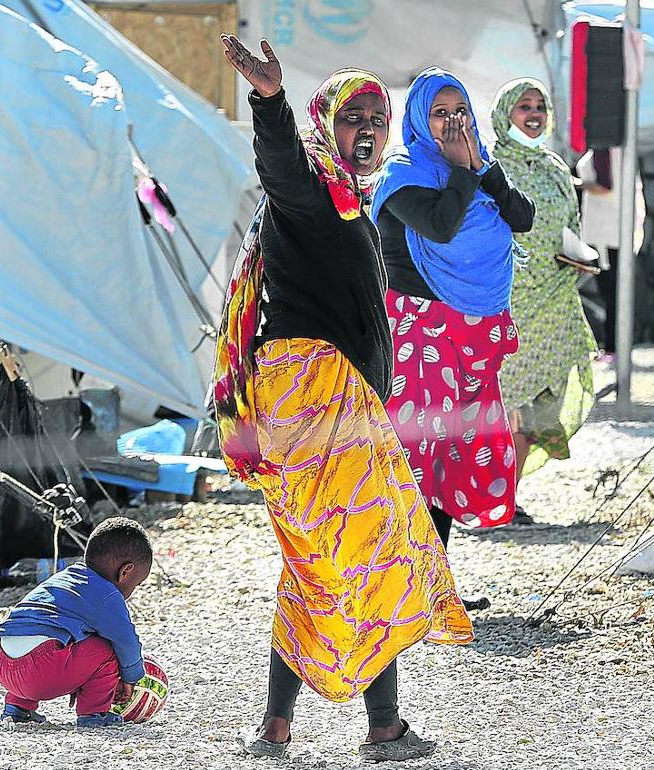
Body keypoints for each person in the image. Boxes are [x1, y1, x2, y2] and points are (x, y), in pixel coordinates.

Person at [215, 37, 472, 762]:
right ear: (327, 124)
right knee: (371, 553)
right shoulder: (308, 190)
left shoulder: (349, 201)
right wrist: (270, 103)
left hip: (332, 399)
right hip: (311, 395)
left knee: (320, 562)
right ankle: (384, 729)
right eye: (352, 117)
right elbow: (280, 169)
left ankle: (276, 727)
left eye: (376, 120)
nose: (366, 131)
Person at [372, 68, 535, 546]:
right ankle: (402, 568)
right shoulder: (402, 174)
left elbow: (522, 216)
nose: (451, 122)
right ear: (419, 119)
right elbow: (440, 227)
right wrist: (463, 172)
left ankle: (435, 571)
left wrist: (482, 167)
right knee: (415, 452)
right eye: (439, 113)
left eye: (460, 111)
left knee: (452, 454)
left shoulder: (476, 169)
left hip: (468, 335)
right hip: (417, 334)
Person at [490, 78, 596, 517]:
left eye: (539, 106)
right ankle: (496, 499)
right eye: (524, 106)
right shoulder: (490, 166)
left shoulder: (555, 167)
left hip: (554, 301)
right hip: (508, 301)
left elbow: (570, 225)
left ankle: (507, 497)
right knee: (507, 402)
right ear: (505, 114)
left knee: (540, 400)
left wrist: (579, 257)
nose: (533, 114)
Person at [0, 517, 152, 728]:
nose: (133, 590)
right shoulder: (107, 595)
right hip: (41, 671)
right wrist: (133, 677)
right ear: (125, 572)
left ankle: (17, 708)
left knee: (46, 634)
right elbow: (126, 641)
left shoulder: (65, 578)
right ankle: (94, 714)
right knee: (109, 647)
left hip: (3, 666)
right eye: (136, 584)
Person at [574, 146, 644, 360]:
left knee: (611, 293)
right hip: (614, 230)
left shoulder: (603, 149)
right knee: (614, 293)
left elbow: (604, 187)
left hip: (605, 232)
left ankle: (614, 346)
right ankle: (616, 345)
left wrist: (574, 182)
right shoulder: (618, 150)